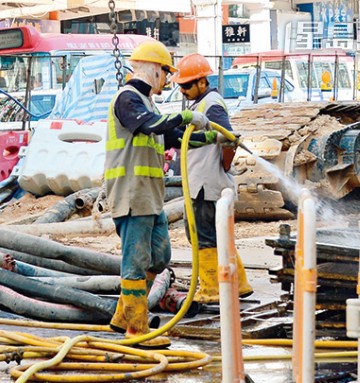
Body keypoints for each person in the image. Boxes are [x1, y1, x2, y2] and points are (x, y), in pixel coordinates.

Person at [104, 41, 212, 348]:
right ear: (154, 69)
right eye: (166, 72)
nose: (168, 79)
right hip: (131, 194)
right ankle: (137, 329)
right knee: (136, 261)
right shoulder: (128, 99)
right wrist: (187, 117)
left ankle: (122, 316)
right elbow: (151, 126)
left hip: (150, 196)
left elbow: (174, 135)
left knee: (160, 255)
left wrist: (211, 137)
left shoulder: (148, 104)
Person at [170, 53, 253, 304]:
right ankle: (239, 284)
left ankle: (210, 289)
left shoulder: (212, 104)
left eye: (186, 85)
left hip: (205, 184)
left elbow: (229, 138)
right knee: (218, 237)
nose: (182, 90)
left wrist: (223, 167)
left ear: (202, 82)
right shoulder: (201, 104)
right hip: (204, 182)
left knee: (202, 236)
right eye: (180, 86)